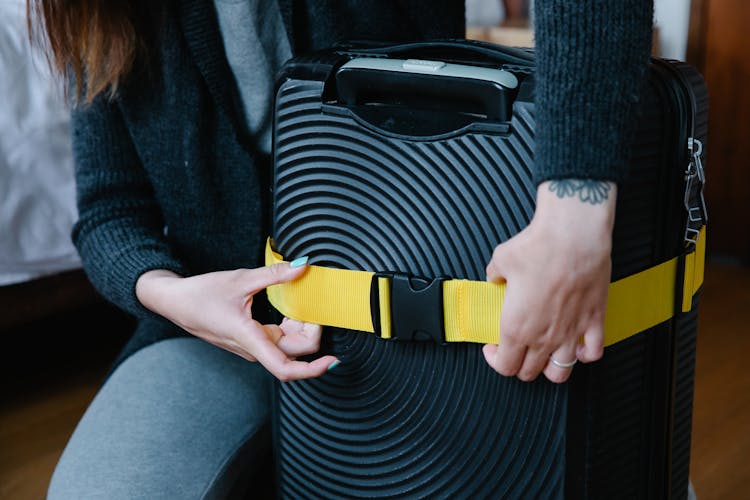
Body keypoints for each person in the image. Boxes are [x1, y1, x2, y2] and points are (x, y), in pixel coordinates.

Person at [30, 0, 659, 498]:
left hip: (432, 326)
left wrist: (576, 215)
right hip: (212, 335)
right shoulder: (93, 11)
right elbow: (111, 209)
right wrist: (175, 295)